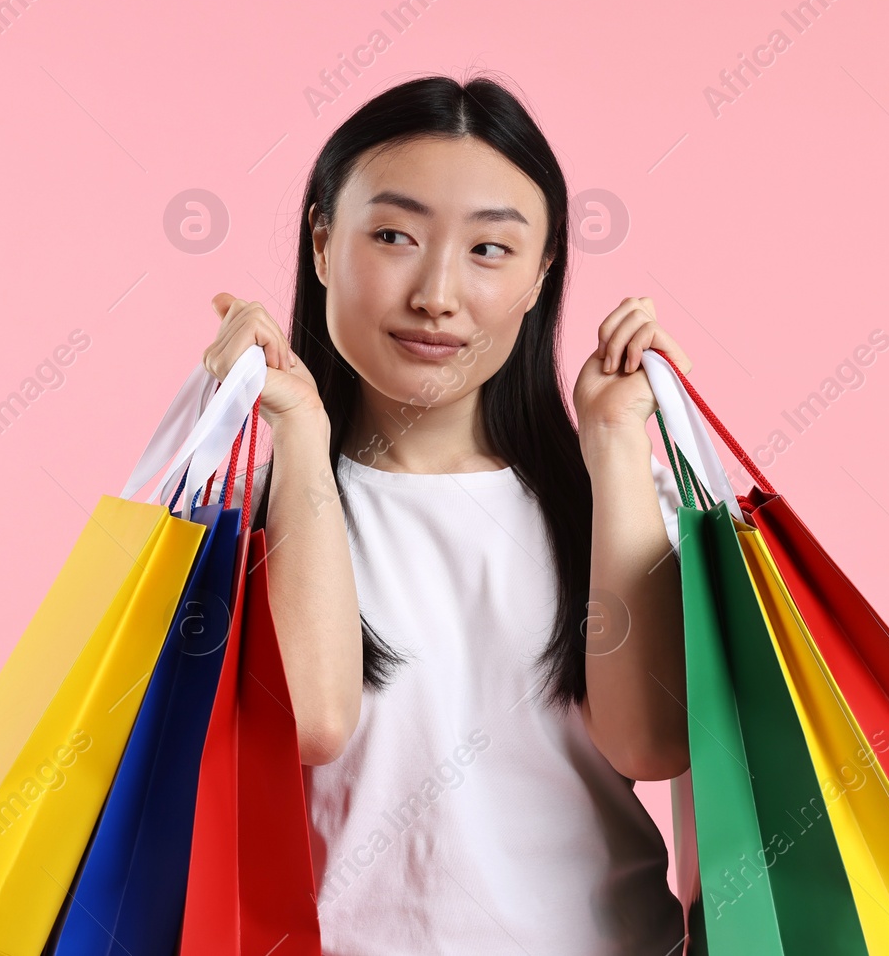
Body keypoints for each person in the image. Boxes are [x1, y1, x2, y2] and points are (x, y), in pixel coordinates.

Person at [198, 74, 694, 954]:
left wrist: (617, 445)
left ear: (543, 275)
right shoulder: (242, 517)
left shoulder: (611, 497)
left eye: (490, 250)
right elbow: (311, 721)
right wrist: (301, 439)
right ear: (321, 243)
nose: (436, 292)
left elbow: (651, 741)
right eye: (393, 235)